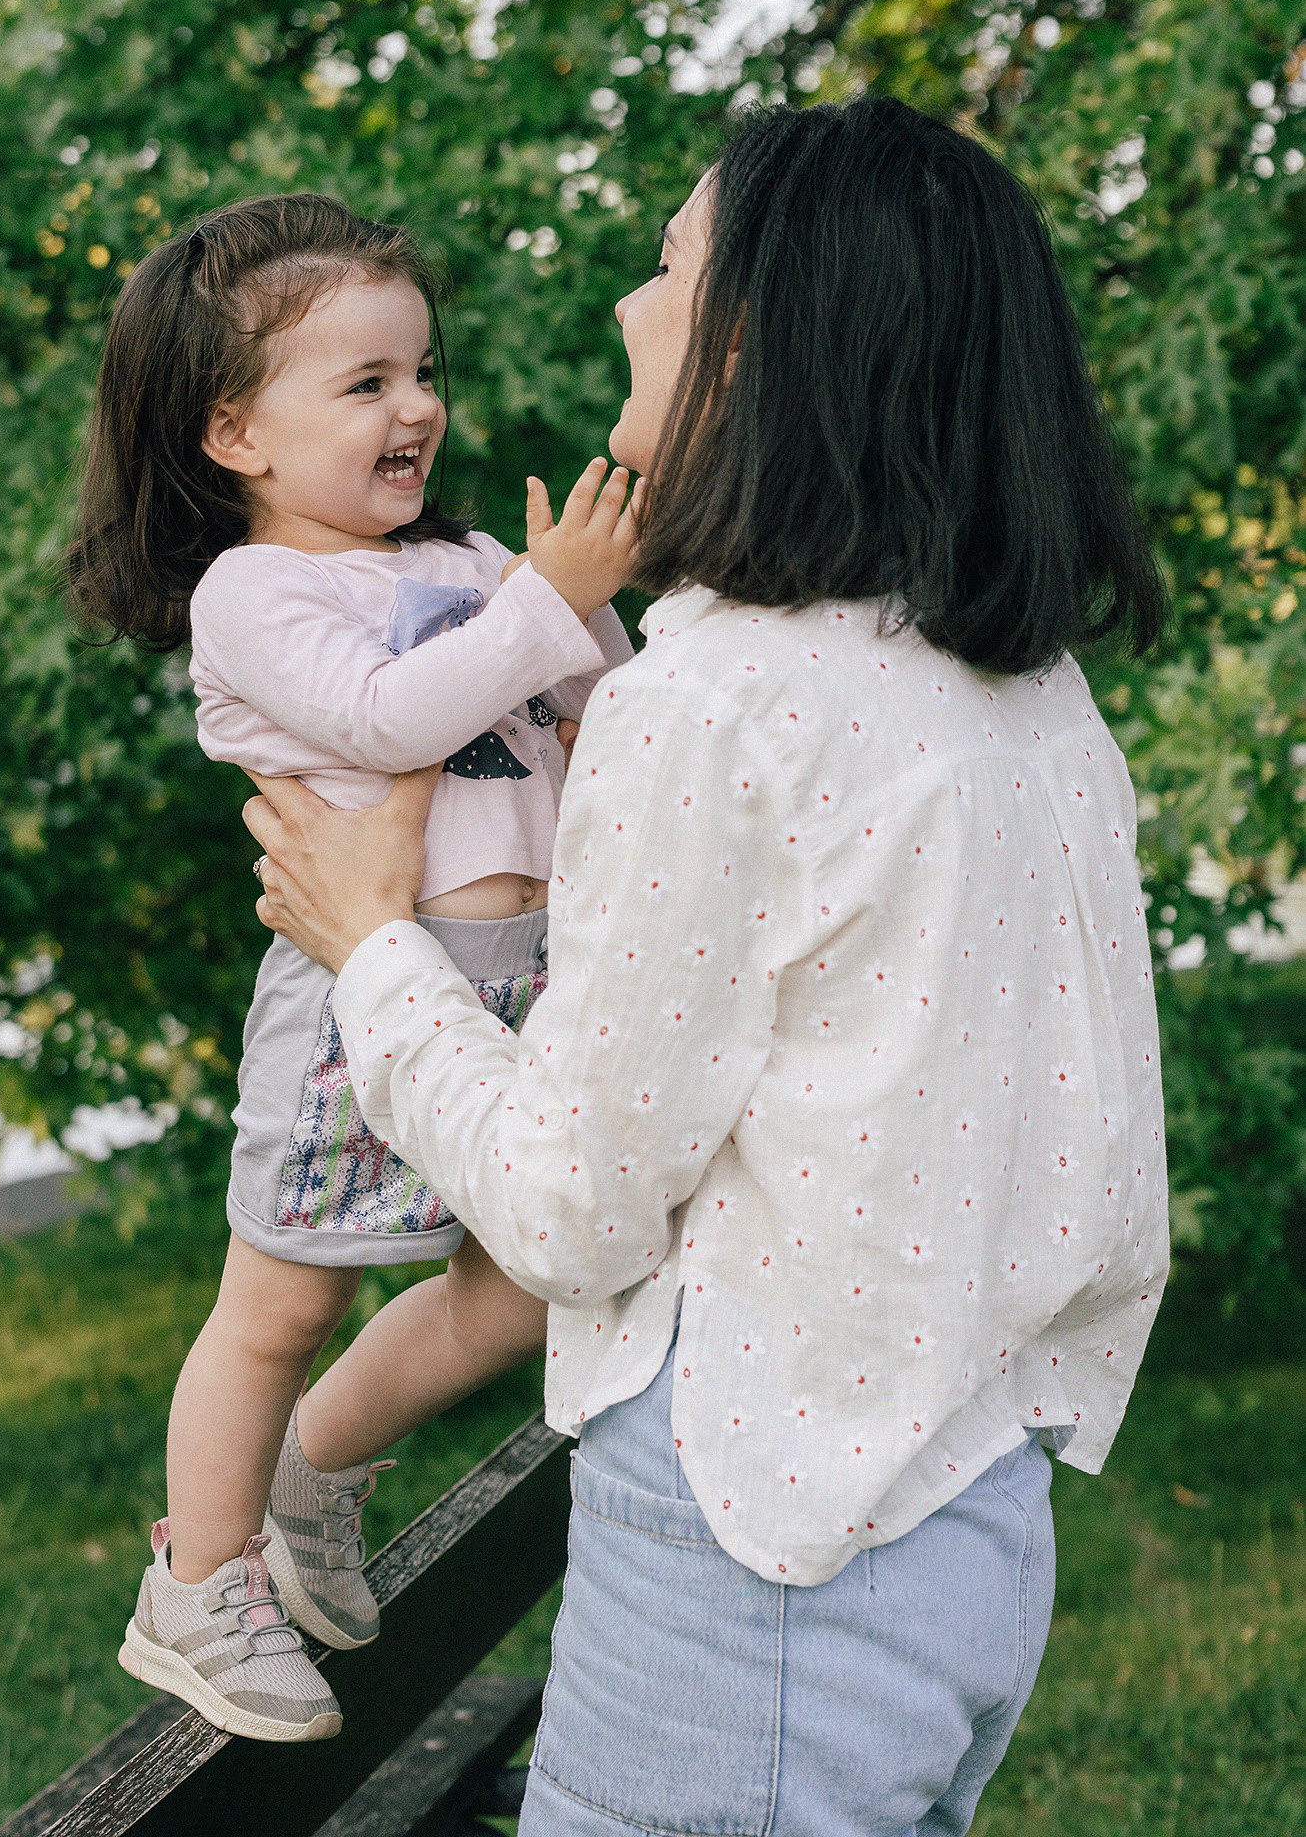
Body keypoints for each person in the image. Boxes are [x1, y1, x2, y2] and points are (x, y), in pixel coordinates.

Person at [242, 99, 1172, 1830]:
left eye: (665, 269)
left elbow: (577, 1211)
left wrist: (371, 951)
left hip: (761, 1546)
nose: (623, 306)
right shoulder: (1030, 700)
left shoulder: (718, 699)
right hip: (971, 1517)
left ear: (752, 340)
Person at [64, 192, 635, 1740]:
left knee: (523, 1278)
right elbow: (390, 720)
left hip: (527, 979)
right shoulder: (256, 594)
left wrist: (582, 637)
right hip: (357, 986)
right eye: (367, 382)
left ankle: (317, 1469)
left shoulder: (463, 557)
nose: (420, 406)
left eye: (424, 370)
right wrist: (548, 599)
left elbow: (607, 709)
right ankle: (195, 1580)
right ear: (233, 432)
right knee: (277, 1298)